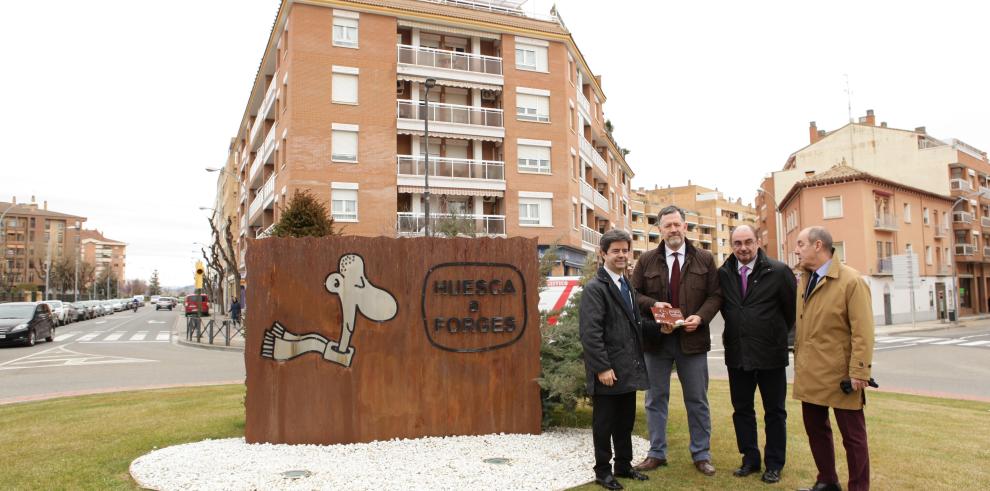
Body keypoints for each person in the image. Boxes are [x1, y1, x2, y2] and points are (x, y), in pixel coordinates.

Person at [630, 205, 722, 476]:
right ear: (660, 229)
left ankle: (701, 455)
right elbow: (633, 295)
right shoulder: (646, 260)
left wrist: (701, 318)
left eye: (677, 224)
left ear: (685, 226)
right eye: (667, 225)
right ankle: (657, 453)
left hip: (692, 341)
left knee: (697, 399)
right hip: (657, 341)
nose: (673, 229)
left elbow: (716, 295)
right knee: (655, 398)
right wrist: (654, 304)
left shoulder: (704, 258)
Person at [793, 226, 875, 491]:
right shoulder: (804, 279)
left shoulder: (851, 281)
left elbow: (863, 331)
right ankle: (827, 480)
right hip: (810, 372)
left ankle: (858, 487)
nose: (796, 249)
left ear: (818, 245)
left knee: (853, 438)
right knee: (816, 430)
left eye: (801, 244)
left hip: (842, 376)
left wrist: (860, 371)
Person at [717, 225, 795, 484]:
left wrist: (778, 337)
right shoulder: (724, 274)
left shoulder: (779, 271)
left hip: (770, 354)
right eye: (737, 243)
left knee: (775, 412)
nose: (743, 248)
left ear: (758, 241)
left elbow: (791, 312)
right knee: (742, 410)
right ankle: (749, 459)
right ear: (731, 245)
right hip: (738, 355)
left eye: (748, 241)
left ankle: (774, 464)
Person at [579, 229, 651, 490]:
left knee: (624, 422)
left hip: (627, 369)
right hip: (608, 371)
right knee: (604, 424)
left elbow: (635, 324)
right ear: (603, 254)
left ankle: (623, 465)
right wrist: (602, 367)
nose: (621, 255)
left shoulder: (627, 285)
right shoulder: (595, 289)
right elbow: (590, 333)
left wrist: (661, 327)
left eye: (625, 250)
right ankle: (602, 471)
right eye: (615, 251)